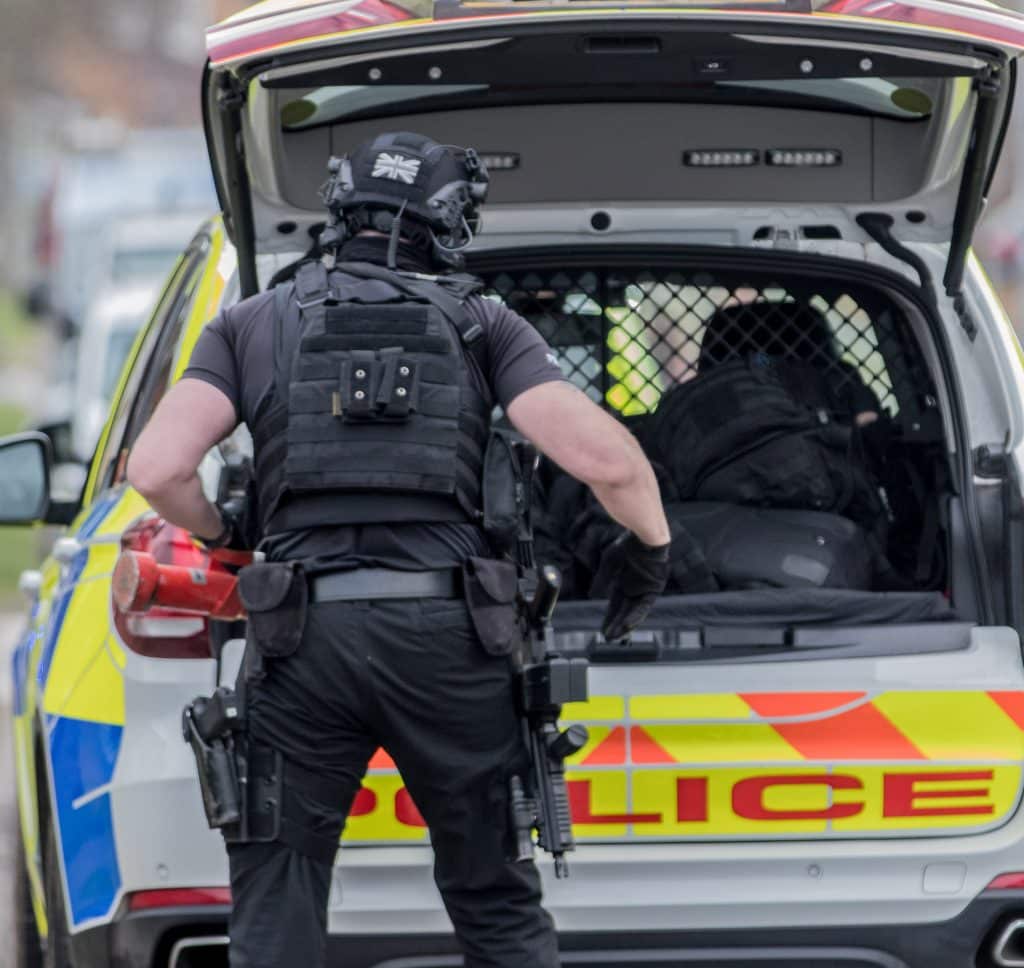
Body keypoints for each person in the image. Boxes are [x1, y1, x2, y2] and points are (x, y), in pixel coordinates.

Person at [126, 131, 671, 968]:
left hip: (300, 642)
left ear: (339, 206)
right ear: (454, 222)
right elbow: (610, 463)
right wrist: (650, 554)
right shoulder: (487, 325)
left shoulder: (249, 324)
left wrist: (224, 534)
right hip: (451, 644)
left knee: (277, 905)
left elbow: (157, 469)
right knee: (494, 899)